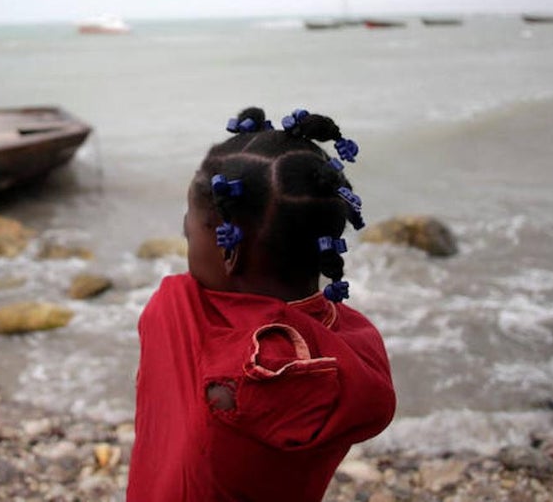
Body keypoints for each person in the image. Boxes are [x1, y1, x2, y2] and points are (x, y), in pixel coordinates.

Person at [127, 107, 395, 502]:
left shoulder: (180, 313)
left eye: (190, 231)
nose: (186, 239)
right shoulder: (357, 347)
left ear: (228, 251)